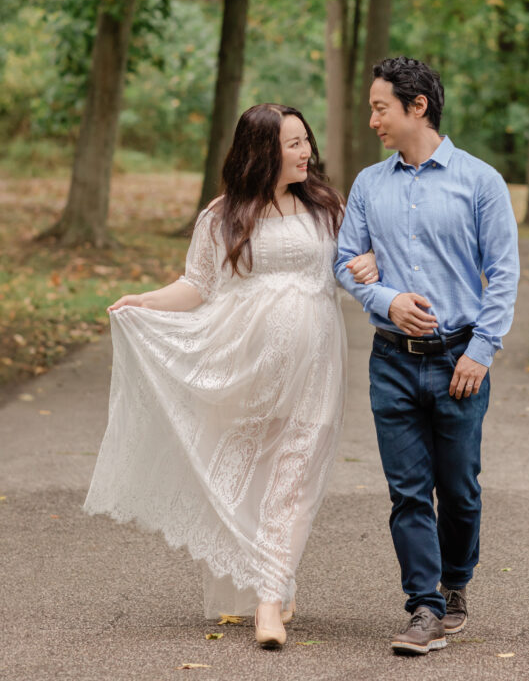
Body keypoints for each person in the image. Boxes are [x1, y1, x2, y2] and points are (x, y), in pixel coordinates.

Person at [84, 103, 374, 649]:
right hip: (245, 369)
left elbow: (352, 268)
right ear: (262, 151)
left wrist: (371, 264)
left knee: (293, 479)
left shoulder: (328, 208)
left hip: (315, 369)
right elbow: (197, 285)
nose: (306, 150)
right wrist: (146, 300)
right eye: (292, 143)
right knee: (241, 476)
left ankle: (269, 601)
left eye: (306, 139)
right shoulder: (224, 215)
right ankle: (266, 576)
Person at [335, 56, 519, 656]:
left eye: (380, 107)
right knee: (409, 492)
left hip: (458, 362)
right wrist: (386, 299)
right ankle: (424, 606)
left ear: (417, 107)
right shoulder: (368, 184)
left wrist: (481, 352)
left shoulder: (480, 182)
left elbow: (504, 274)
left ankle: (455, 584)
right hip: (390, 360)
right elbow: (345, 261)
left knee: (459, 489)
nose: (372, 120)